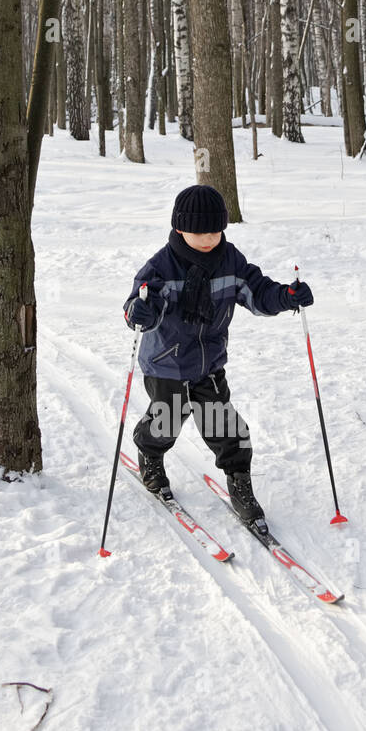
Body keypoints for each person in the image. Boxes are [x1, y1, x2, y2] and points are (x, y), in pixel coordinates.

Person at [122, 183, 313, 526]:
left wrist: (286, 296)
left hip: (208, 362)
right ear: (180, 227)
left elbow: (258, 290)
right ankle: (149, 453)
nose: (208, 238)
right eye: (199, 231)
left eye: (214, 230)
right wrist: (140, 311)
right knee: (167, 420)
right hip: (166, 362)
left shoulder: (230, 261)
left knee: (225, 425)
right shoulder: (161, 267)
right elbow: (137, 303)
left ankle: (240, 484)